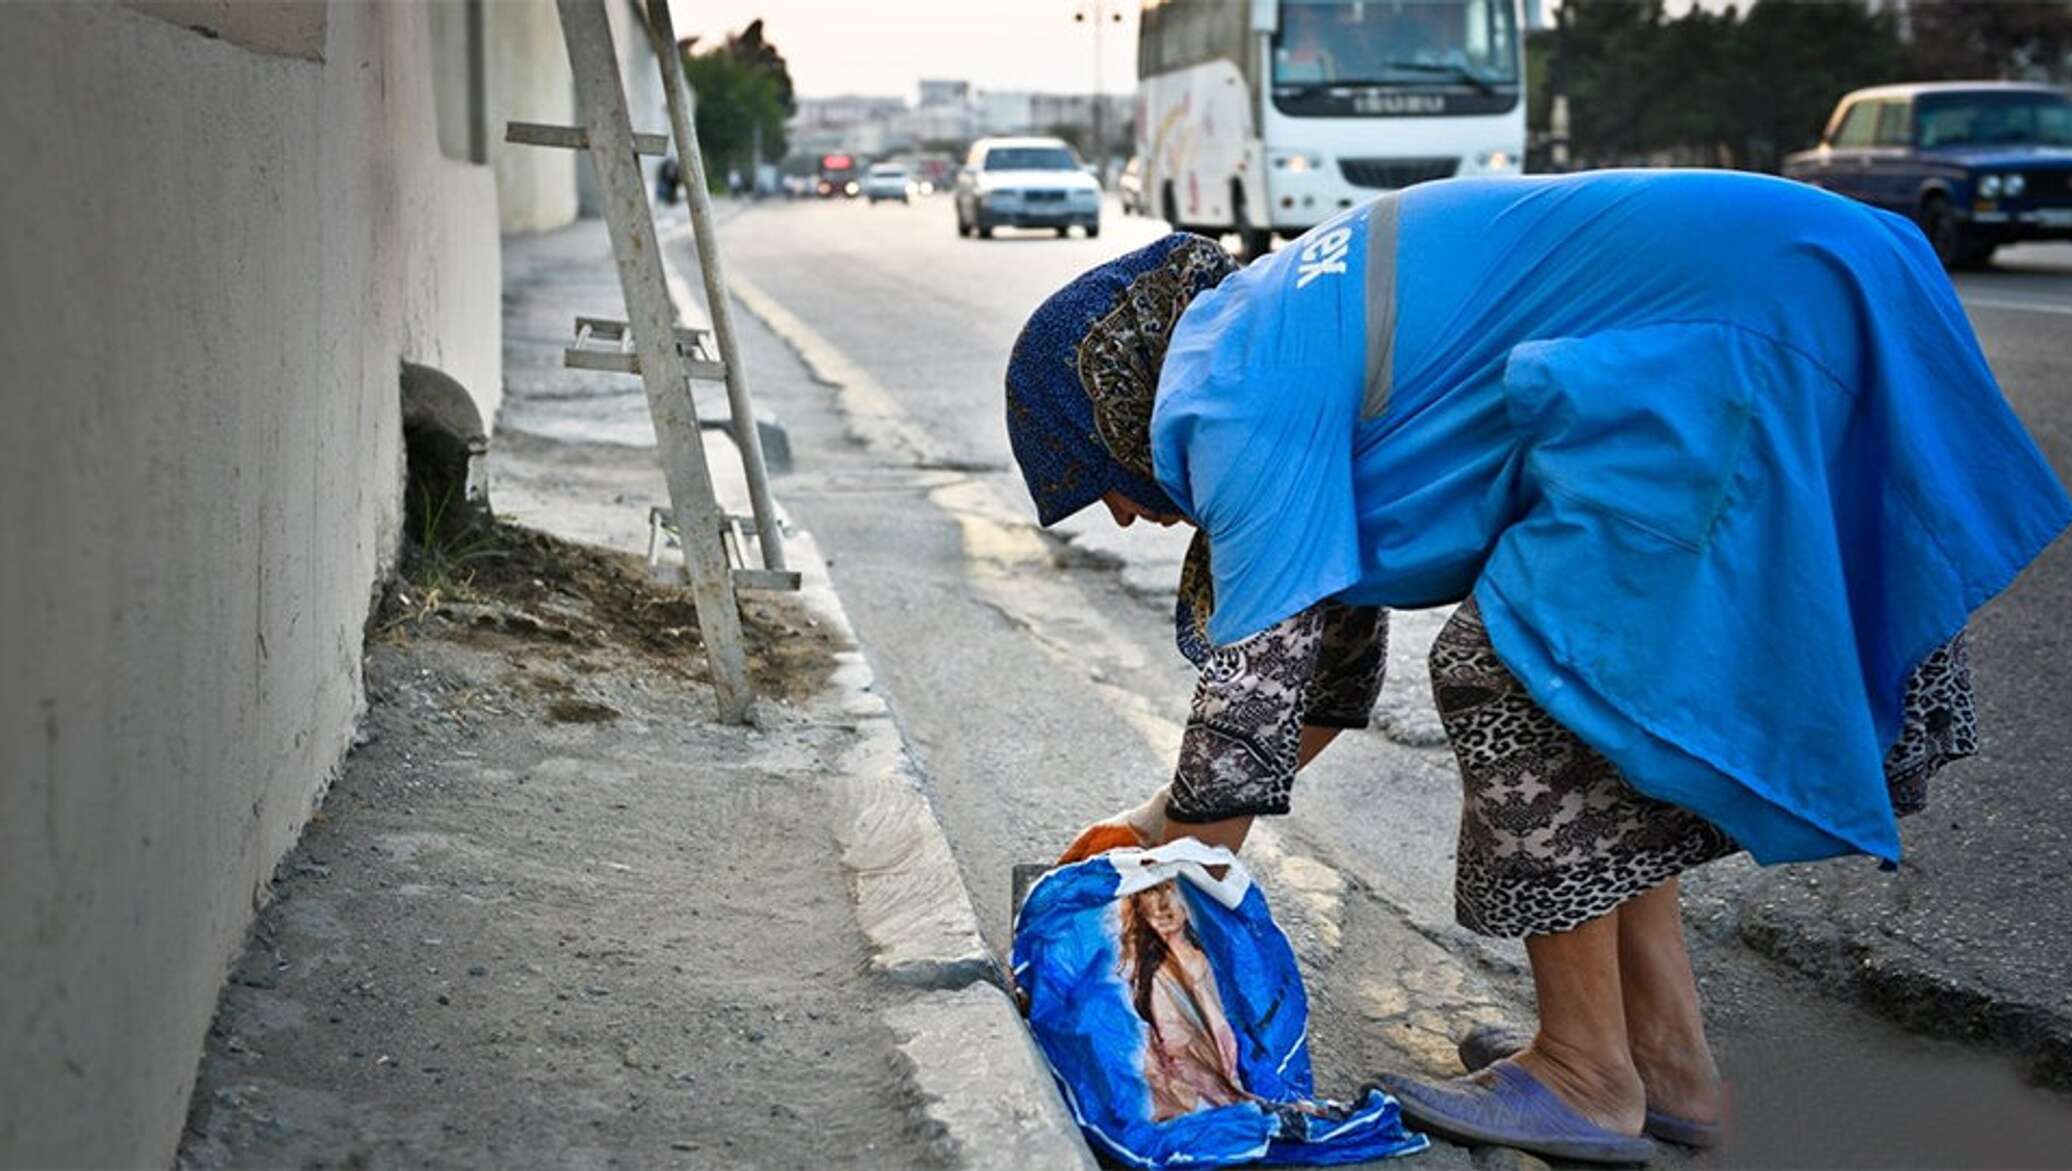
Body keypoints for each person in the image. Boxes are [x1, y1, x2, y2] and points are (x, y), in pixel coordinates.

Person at [1005, 170, 2070, 1164]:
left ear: (1108, 402)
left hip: (1761, 317)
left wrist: (1115, 911)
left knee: (1518, 663)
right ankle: (1662, 1063)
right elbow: (1317, 685)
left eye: (1094, 475)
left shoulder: (1231, 391)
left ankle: (1582, 1072)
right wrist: (1139, 833)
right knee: (1593, 693)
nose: (1120, 510)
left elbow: (1247, 732)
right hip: (1805, 279)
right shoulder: (1261, 328)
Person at [1116, 882, 1248, 1120]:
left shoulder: (1209, 957)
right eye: (1149, 891)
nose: (1162, 905)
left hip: (1219, 1071)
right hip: (1189, 1083)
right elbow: (1174, 1042)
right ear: (1139, 910)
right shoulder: (1155, 975)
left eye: (1169, 889)